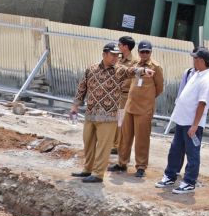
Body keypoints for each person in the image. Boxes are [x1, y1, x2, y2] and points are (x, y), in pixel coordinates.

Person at [70, 42, 153, 183]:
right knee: (88, 143)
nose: (115, 57)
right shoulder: (91, 69)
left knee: (103, 146)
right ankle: (87, 169)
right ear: (104, 54)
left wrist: (143, 71)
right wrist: (75, 106)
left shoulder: (119, 70)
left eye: (117, 55)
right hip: (91, 113)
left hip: (109, 117)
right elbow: (82, 87)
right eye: (112, 55)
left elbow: (131, 71)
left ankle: (97, 174)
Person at [155, 46, 209, 194]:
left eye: (195, 58)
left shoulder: (208, 79)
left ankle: (189, 181)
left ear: (201, 60)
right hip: (182, 120)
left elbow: (202, 103)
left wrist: (195, 125)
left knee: (192, 153)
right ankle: (170, 175)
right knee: (175, 149)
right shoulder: (196, 74)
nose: (193, 60)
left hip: (192, 124)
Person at [108, 39, 164, 177]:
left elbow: (159, 88)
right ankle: (122, 163)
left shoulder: (156, 67)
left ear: (151, 52)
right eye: (142, 51)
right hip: (130, 105)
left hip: (144, 109)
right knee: (124, 136)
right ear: (138, 52)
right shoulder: (135, 65)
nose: (144, 54)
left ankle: (141, 167)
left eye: (147, 51)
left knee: (142, 139)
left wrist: (147, 99)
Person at [112, 35, 137, 155]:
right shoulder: (118, 60)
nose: (118, 47)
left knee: (120, 120)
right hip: (115, 94)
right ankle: (113, 143)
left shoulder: (134, 62)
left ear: (125, 47)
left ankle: (118, 146)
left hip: (125, 95)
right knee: (113, 119)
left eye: (119, 45)